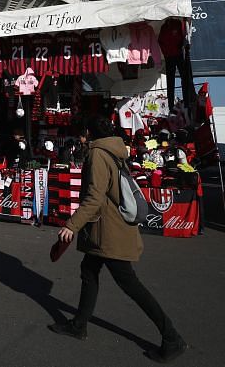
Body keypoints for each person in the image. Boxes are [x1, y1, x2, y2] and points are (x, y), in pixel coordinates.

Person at [49, 115, 186, 362]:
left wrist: (72, 225)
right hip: (107, 227)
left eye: (81, 135)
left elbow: (94, 196)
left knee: (129, 283)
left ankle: (171, 336)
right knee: (89, 271)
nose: (80, 139)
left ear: (88, 134)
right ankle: (79, 325)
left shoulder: (97, 154)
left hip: (108, 230)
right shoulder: (114, 149)